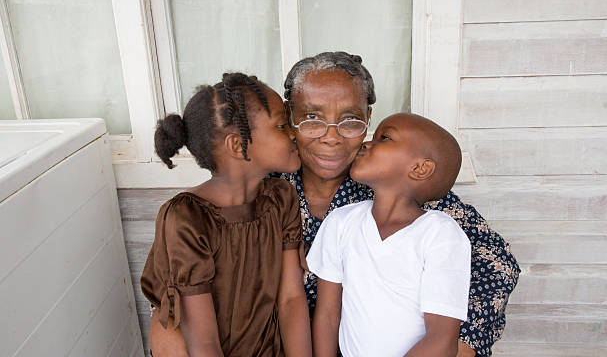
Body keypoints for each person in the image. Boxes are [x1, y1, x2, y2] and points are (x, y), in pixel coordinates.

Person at [149, 52, 520, 357]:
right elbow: (180, 298)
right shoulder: (268, 188)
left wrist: (451, 345)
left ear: (368, 121)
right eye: (311, 118)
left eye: (350, 120)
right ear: (289, 120)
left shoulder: (394, 185)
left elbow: (498, 268)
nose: (331, 137)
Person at [140, 73, 311, 356]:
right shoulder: (187, 218)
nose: (294, 133)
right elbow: (203, 343)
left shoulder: (280, 198)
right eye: (282, 125)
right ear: (236, 146)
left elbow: (291, 300)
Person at [307, 112, 471, 356]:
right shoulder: (341, 222)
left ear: (420, 168)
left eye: (384, 137)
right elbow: (328, 316)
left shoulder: (440, 235)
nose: (366, 143)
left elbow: (441, 340)